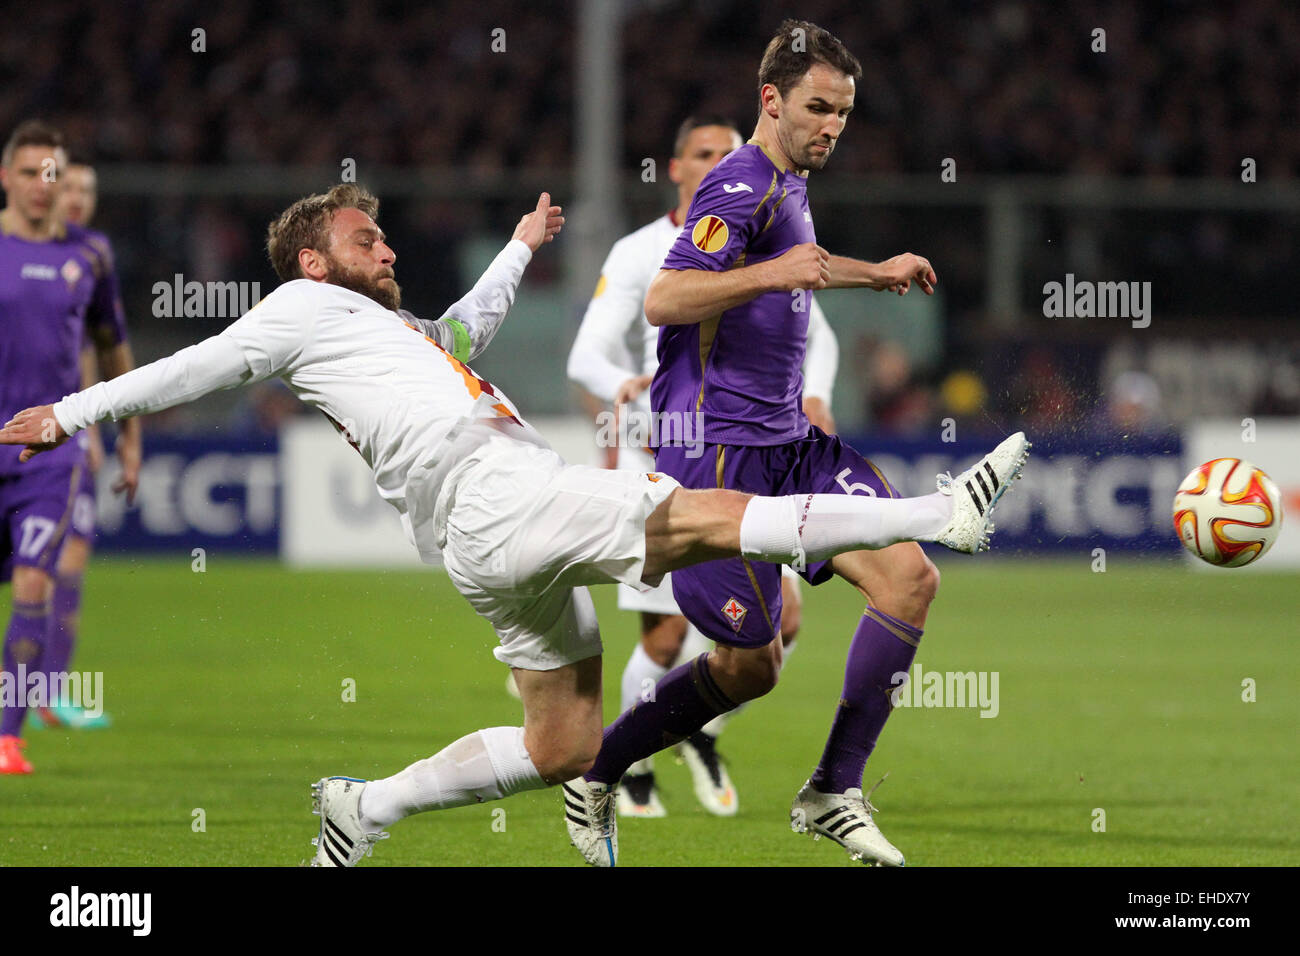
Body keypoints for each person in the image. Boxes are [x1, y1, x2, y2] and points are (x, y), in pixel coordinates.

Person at [0, 184, 1025, 866]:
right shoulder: (298, 311)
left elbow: (463, 329)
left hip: (480, 528)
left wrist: (521, 246)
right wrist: (70, 413)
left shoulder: (385, 328)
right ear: (312, 260)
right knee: (699, 521)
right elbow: (198, 364)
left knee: (566, 740)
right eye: (366, 237)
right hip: (495, 492)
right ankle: (934, 512)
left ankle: (366, 806)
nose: (387, 244)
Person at [562, 19, 1024, 868]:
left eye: (843, 113)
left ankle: (832, 791)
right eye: (818, 109)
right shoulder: (740, 183)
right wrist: (778, 273)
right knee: (751, 669)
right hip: (719, 459)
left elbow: (802, 263)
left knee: (910, 579)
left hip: (790, 443)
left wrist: (873, 271)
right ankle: (597, 774)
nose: (832, 127)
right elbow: (666, 299)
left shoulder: (789, 178)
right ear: (770, 102)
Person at [565, 113, 840, 817]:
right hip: (668, 448)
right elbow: (586, 353)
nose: (723, 161)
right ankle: (626, 770)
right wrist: (623, 381)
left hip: (749, 446)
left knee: (781, 628)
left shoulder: (767, 224)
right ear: (677, 167)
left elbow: (818, 329)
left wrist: (815, 395)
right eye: (704, 153)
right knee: (666, 635)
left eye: (729, 150)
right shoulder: (639, 251)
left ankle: (694, 727)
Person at [0, 123, 136, 772]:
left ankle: (10, 734)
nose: (41, 187)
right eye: (28, 172)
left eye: (50, 174)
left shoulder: (89, 259)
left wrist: (127, 437)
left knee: (37, 578)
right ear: (5, 178)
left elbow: (113, 349)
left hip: (50, 449)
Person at [28, 158, 141, 730]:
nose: (77, 198)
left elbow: (96, 347)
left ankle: (50, 689)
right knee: (42, 562)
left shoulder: (92, 254)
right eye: (67, 186)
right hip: (27, 421)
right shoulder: (22, 253)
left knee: (69, 556)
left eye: (87, 190)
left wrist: (99, 428)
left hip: (66, 428)